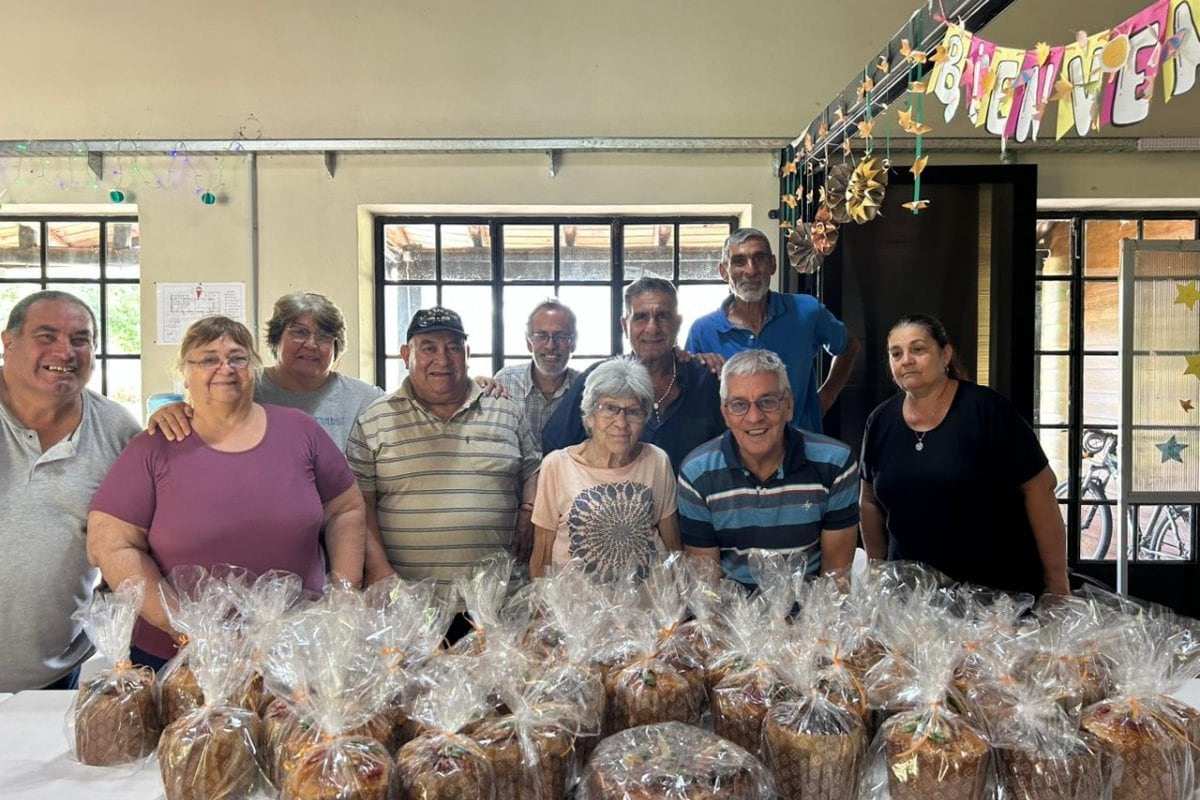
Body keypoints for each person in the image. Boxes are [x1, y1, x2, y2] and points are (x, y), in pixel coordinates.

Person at [87, 316, 368, 669]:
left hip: (296, 651)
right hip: (179, 657)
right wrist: (182, 626)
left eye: (238, 357)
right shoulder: (155, 445)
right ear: (184, 373)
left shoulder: (300, 431)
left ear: (254, 368)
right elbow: (109, 542)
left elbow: (346, 509)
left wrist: (342, 595)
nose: (225, 368)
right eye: (207, 359)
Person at [346, 306, 540, 637]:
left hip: (496, 608)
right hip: (407, 606)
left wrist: (528, 508)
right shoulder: (373, 420)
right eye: (429, 348)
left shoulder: (506, 410)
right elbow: (359, 507)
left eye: (453, 347)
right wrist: (380, 574)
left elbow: (534, 467)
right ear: (406, 354)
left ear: (467, 353)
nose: (442, 358)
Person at [859, 314, 1070, 596]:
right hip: (913, 601)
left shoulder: (987, 410)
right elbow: (869, 502)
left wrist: (1056, 582)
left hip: (997, 597)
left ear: (945, 355)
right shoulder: (880, 420)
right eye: (896, 353)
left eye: (918, 349)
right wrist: (878, 575)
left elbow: (1040, 487)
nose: (906, 360)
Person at [0, 291, 141, 692]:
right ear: (9, 343)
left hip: (55, 677)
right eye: (47, 335)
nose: (65, 350)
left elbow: (137, 538)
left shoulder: (116, 430)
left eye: (81, 339)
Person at [678, 349, 859, 587]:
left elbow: (835, 581)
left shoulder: (835, 464)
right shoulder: (697, 474)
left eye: (767, 402)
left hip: (811, 616)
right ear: (725, 414)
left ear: (789, 406)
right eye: (739, 404)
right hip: (732, 619)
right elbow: (706, 588)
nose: (754, 417)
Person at [147, 291, 384, 451]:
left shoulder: (365, 399)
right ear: (276, 339)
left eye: (324, 337)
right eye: (299, 332)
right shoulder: (243, 385)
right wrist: (169, 411)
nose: (311, 344)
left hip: (340, 515)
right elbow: (201, 413)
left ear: (336, 347)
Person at [684, 228, 859, 434]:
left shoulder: (806, 312)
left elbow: (849, 345)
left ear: (773, 264)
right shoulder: (703, 331)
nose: (751, 270)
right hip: (734, 455)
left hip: (801, 450)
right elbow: (689, 397)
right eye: (739, 261)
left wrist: (826, 397)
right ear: (724, 271)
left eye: (759, 258)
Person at [542, 277, 725, 473]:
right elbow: (555, 449)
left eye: (662, 316)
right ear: (624, 325)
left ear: (678, 324)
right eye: (641, 317)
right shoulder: (596, 380)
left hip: (695, 502)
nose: (652, 328)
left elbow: (735, 450)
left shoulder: (707, 381)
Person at [531, 357, 680, 581]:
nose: (621, 423)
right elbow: (541, 556)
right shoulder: (556, 466)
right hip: (576, 613)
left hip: (649, 613)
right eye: (610, 409)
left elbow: (673, 550)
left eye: (633, 412)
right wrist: (539, 611)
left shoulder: (657, 461)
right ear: (589, 417)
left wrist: (678, 607)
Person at [492, 298, 580, 444]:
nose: (551, 345)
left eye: (561, 336)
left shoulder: (585, 388)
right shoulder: (505, 381)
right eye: (541, 336)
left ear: (573, 344)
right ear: (529, 343)